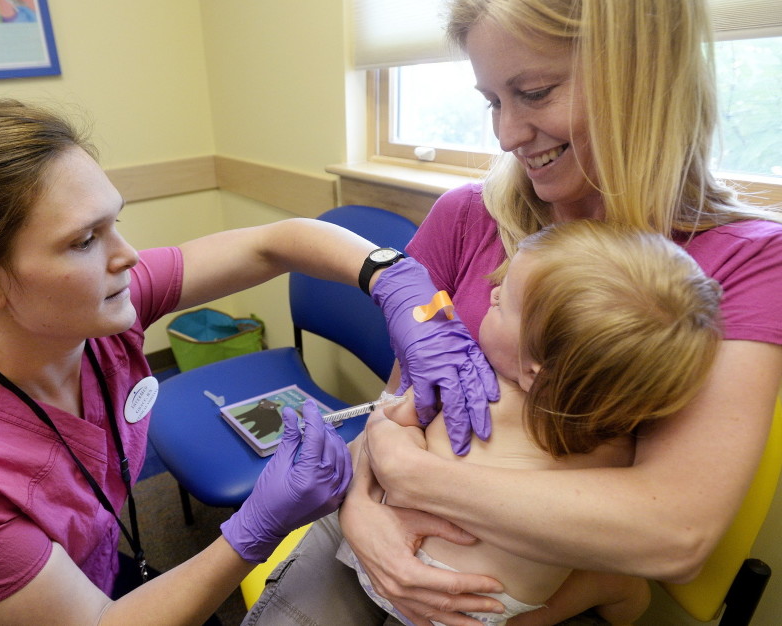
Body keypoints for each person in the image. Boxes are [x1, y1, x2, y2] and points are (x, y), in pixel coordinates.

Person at [242, 1, 782, 625]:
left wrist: (413, 478)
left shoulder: (745, 264)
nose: (505, 136)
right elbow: (400, 402)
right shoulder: (464, 217)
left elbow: (674, 533)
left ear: (643, 73)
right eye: (493, 101)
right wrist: (362, 515)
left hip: (526, 582)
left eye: (533, 92)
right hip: (376, 519)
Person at [0, 99, 491, 625]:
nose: (128, 257)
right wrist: (257, 526)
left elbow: (271, 243)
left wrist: (392, 276)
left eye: (115, 223)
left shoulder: (90, 312)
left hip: (86, 568)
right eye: (84, 240)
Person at [338, 220, 723, 625]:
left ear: (536, 372)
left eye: (504, 304)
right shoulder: (622, 449)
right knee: (602, 584)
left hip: (388, 563)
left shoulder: (470, 386)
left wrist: (392, 429)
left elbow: (389, 416)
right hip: (492, 610)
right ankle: (617, 599)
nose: (494, 291)